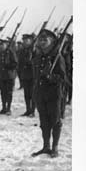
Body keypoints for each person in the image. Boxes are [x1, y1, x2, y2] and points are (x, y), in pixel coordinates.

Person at [31, 29, 66, 158]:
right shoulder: (39, 57)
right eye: (40, 39)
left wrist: (50, 77)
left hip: (53, 94)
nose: (42, 41)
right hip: (40, 94)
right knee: (44, 121)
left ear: (52, 41)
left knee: (55, 120)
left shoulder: (57, 57)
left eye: (45, 39)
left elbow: (63, 78)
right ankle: (46, 146)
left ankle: (55, 147)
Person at [0, 38, 18, 115]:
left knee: (9, 93)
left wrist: (7, 66)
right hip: (1, 77)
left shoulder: (10, 52)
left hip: (9, 76)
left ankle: (8, 108)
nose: (1, 46)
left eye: (2, 45)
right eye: (0, 45)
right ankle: (4, 108)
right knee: (3, 93)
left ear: (6, 45)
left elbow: (15, 64)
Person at [17, 34, 36, 117]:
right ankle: (28, 110)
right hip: (25, 75)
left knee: (32, 94)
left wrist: (30, 62)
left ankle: (32, 111)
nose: (25, 42)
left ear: (31, 41)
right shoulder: (22, 50)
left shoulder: (35, 50)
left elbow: (36, 62)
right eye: (24, 40)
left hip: (32, 75)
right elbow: (20, 62)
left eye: (27, 40)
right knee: (26, 94)